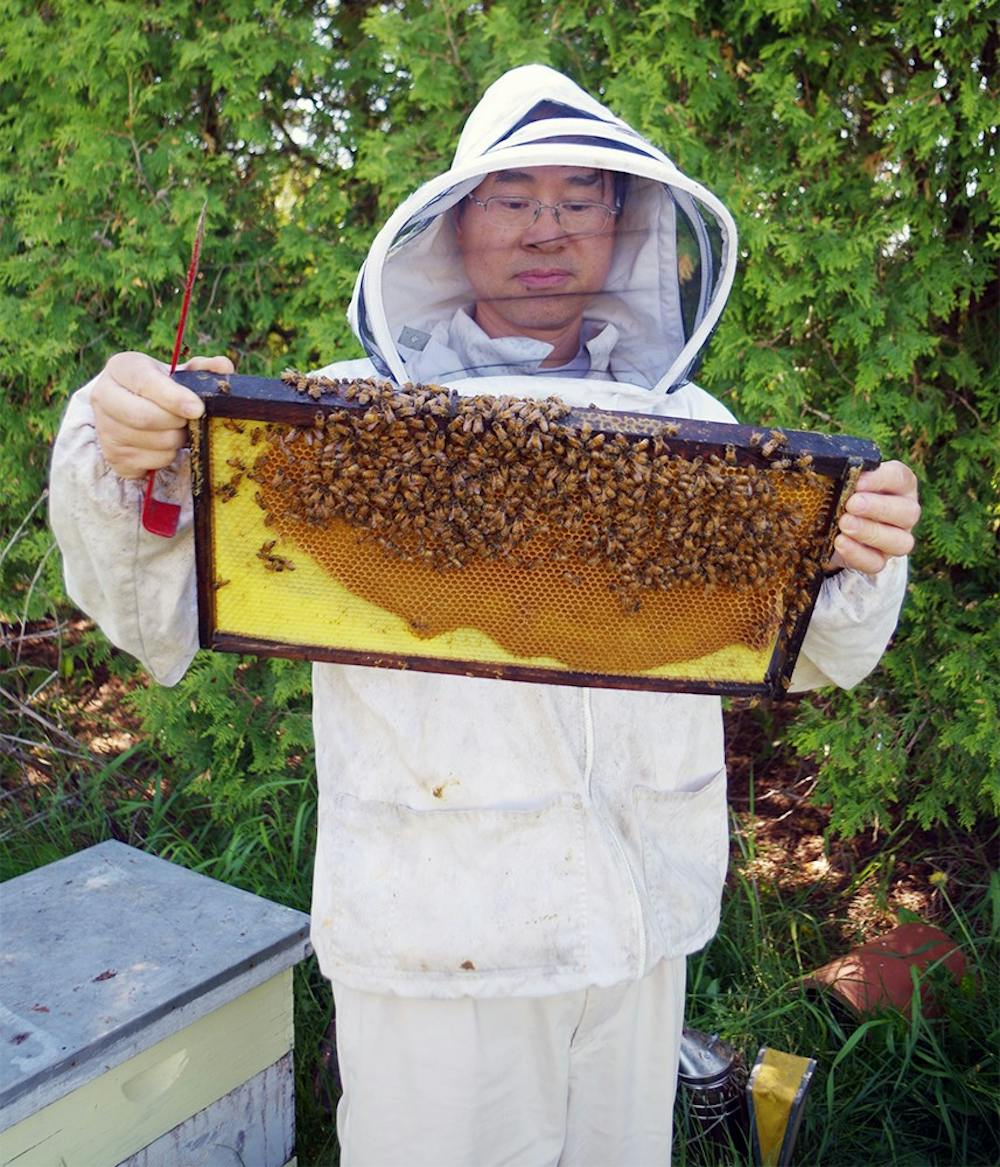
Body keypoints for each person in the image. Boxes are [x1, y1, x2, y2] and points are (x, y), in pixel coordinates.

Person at [50, 65, 919, 1165]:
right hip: (434, 935)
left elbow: (806, 657)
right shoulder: (328, 417)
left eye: (578, 198)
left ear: (625, 223)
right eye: (512, 199)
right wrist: (128, 456)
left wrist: (856, 556)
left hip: (636, 927)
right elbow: (150, 605)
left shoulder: (700, 430)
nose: (545, 228)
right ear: (454, 228)